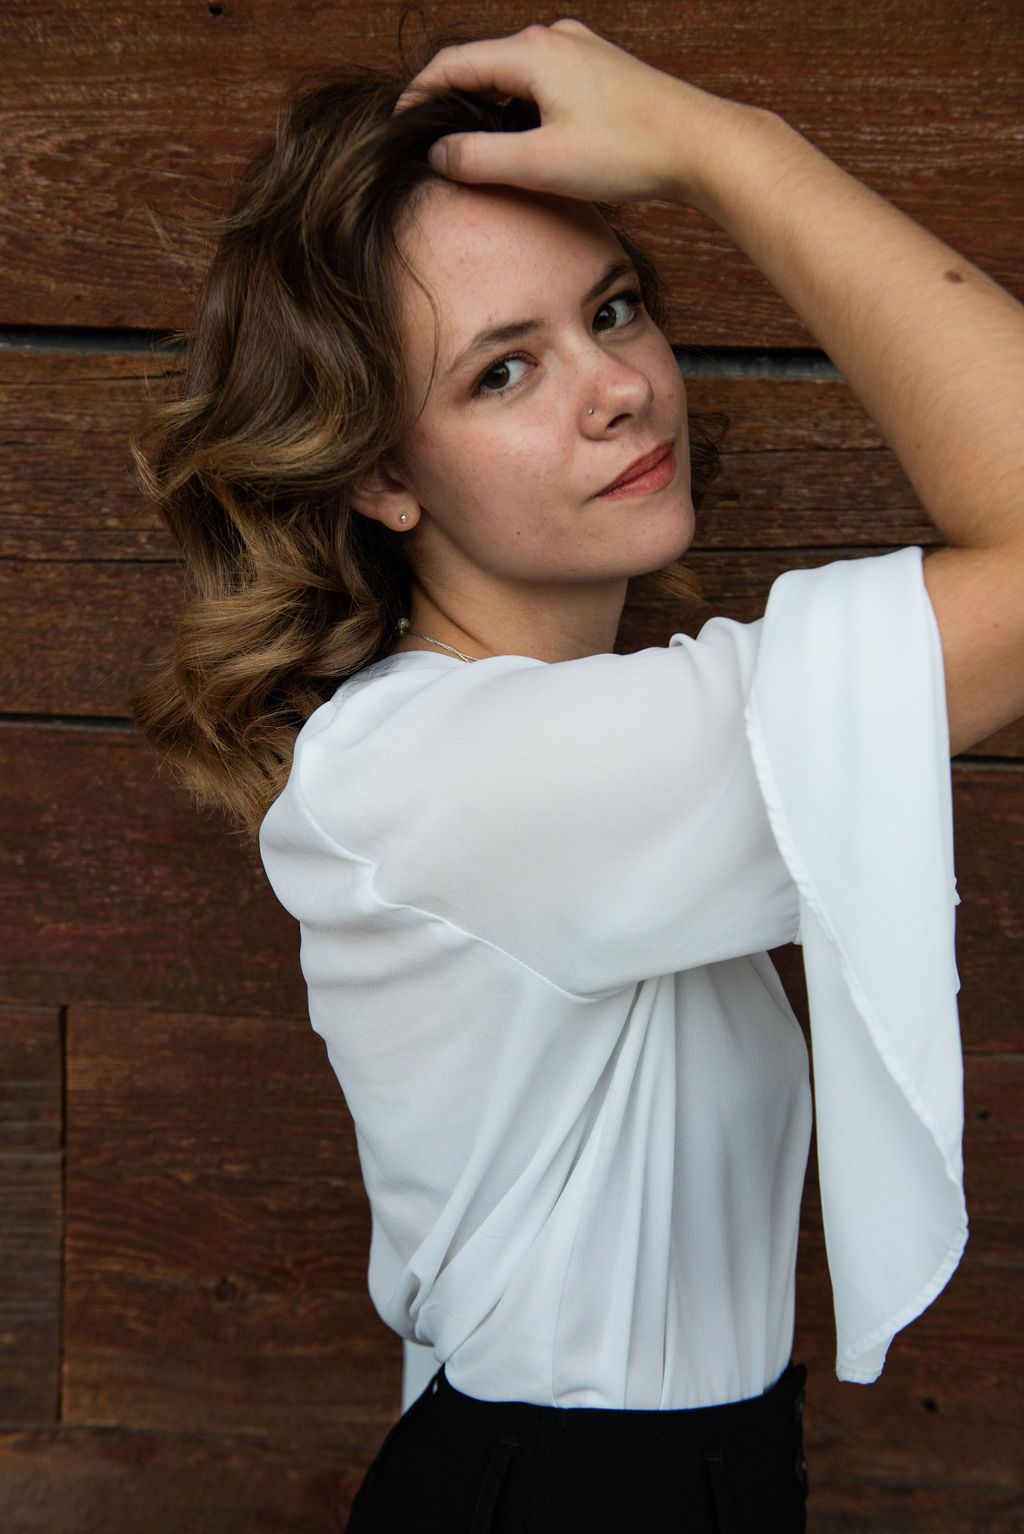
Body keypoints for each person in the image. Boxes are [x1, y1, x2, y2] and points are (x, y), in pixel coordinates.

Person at [128, 18, 1024, 1534]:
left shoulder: (525, 744)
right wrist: (723, 144)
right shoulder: (465, 773)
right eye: (504, 370)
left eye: (614, 307)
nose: (615, 387)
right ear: (381, 471)